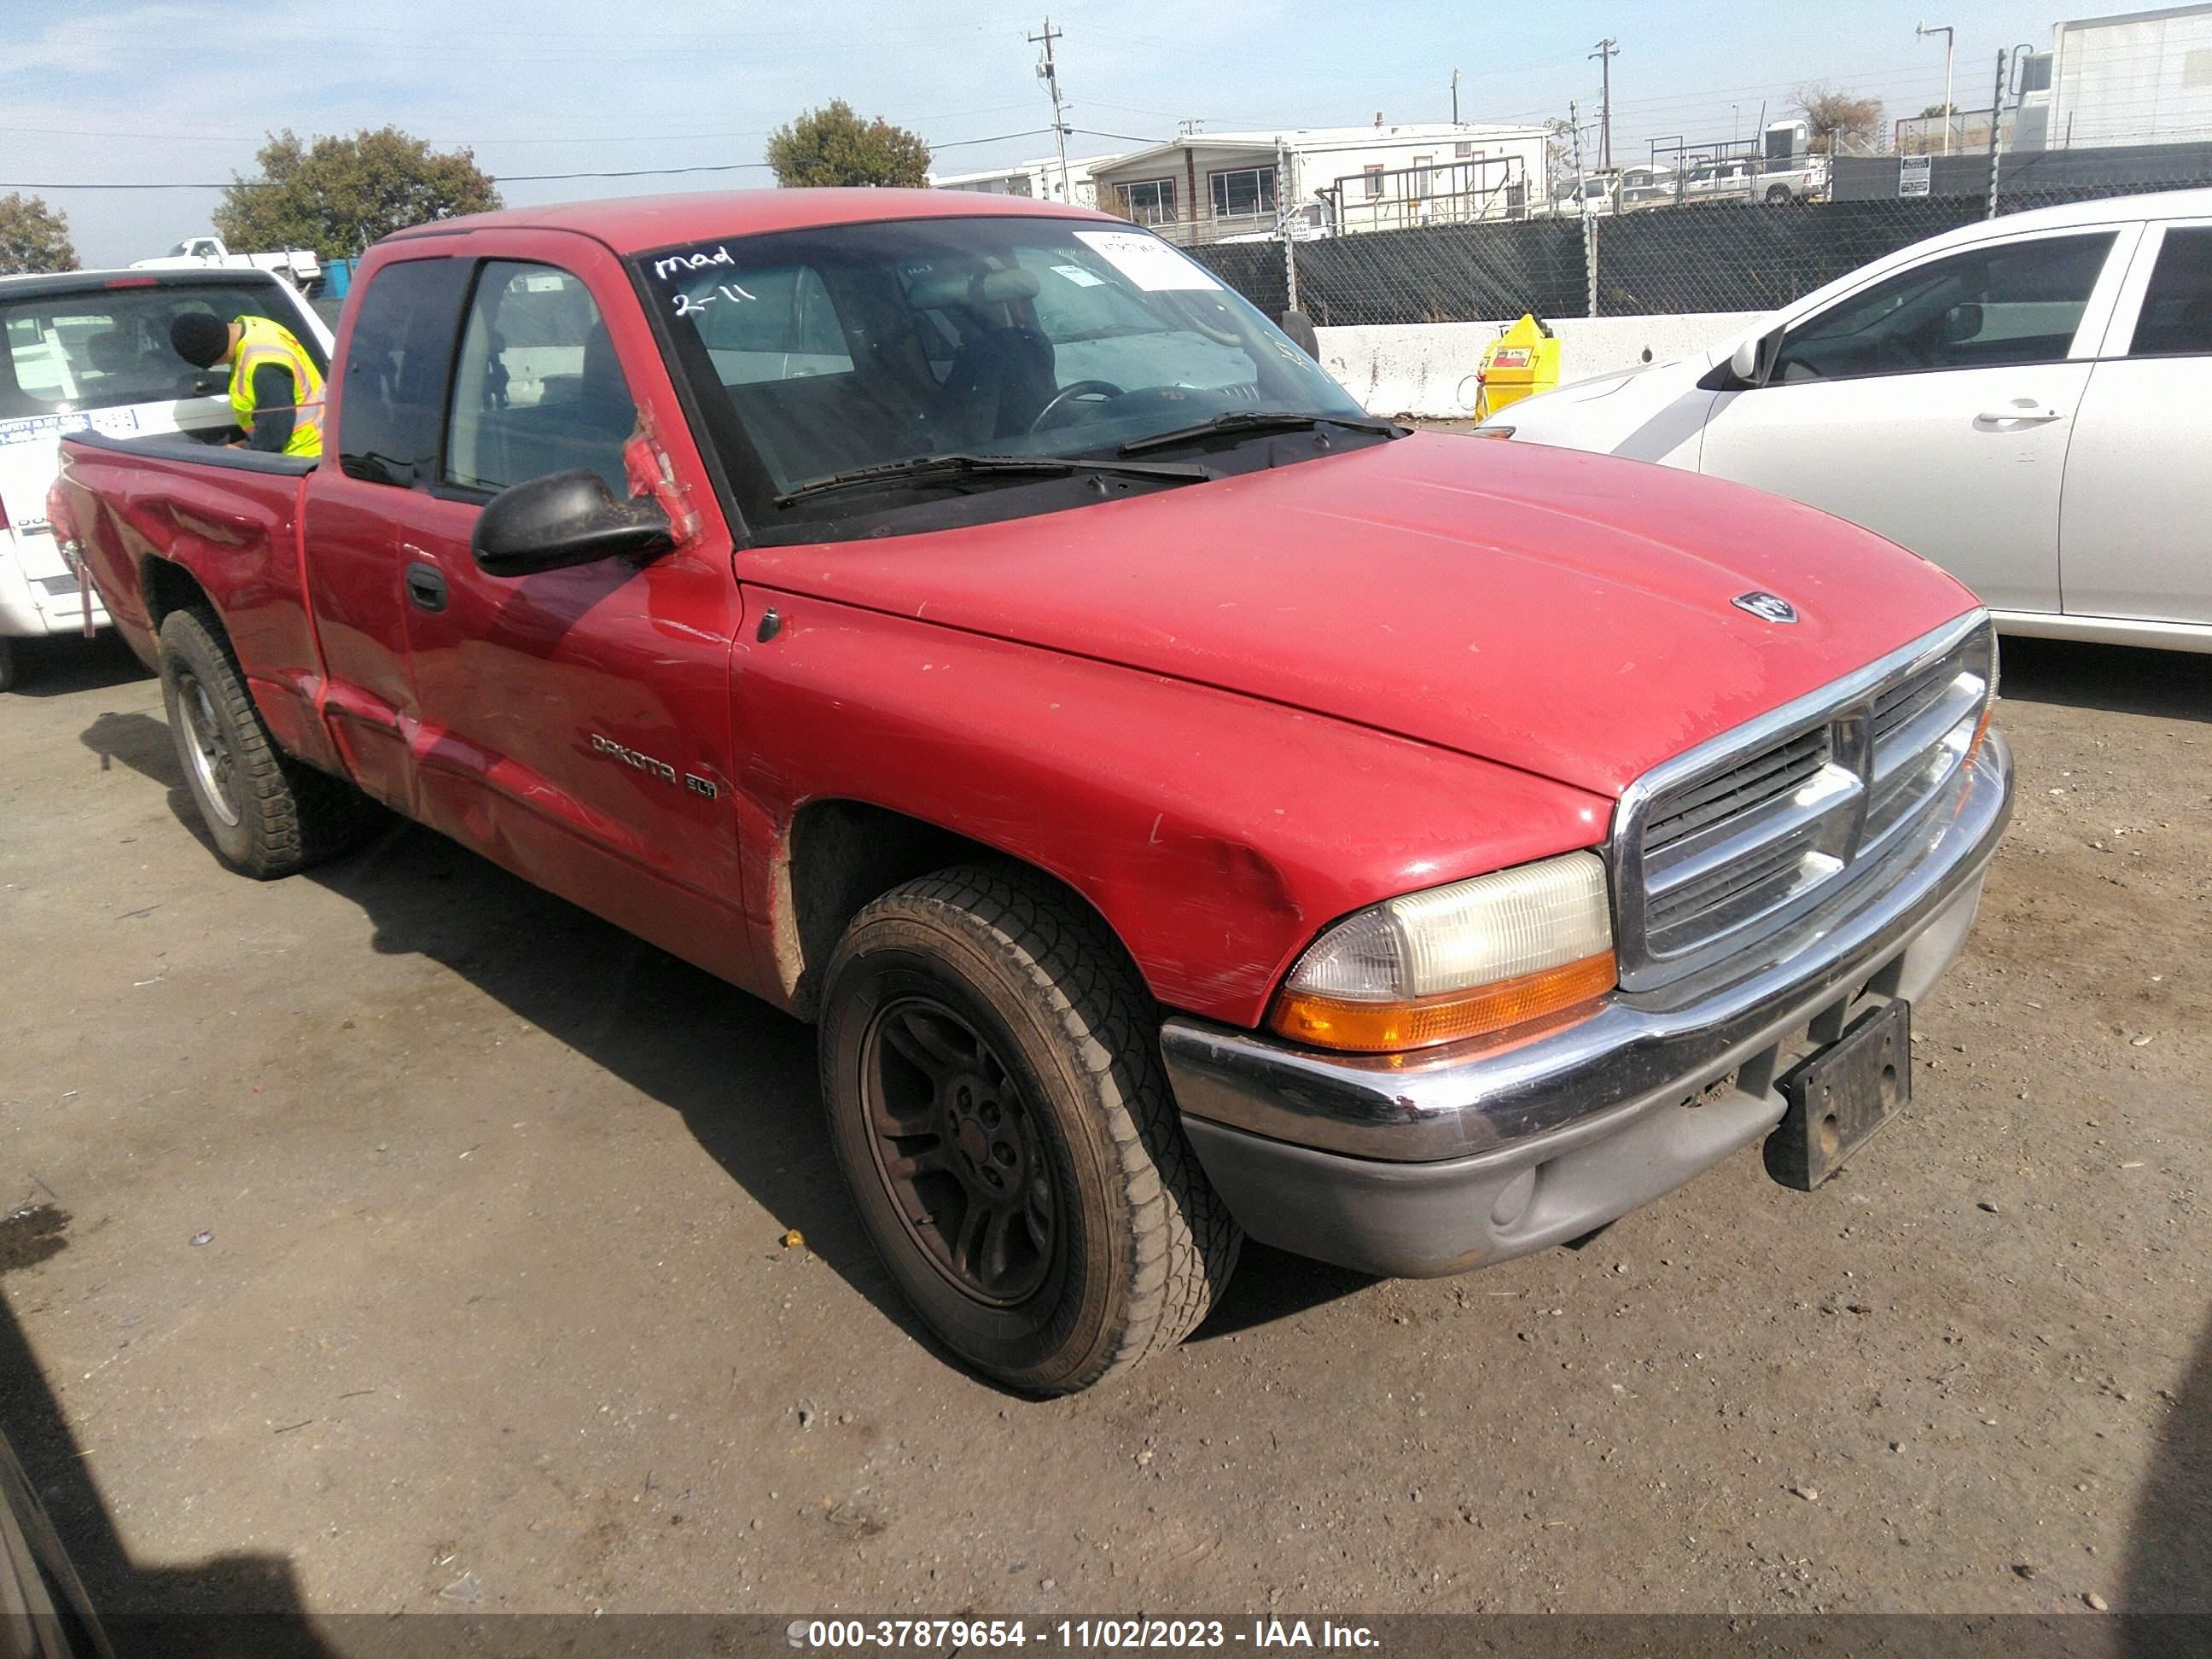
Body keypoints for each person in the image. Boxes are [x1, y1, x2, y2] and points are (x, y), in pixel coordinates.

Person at [169, 311, 325, 457]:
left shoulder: (263, 367)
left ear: (213, 354)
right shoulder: (255, 326)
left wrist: (246, 454)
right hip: (315, 448)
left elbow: (275, 432)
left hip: (302, 457)